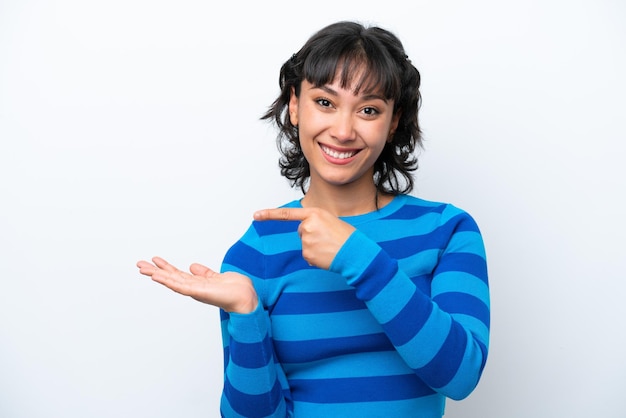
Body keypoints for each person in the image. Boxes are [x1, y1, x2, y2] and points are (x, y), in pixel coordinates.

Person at [137, 20, 490, 418]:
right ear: (294, 105)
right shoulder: (257, 251)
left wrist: (358, 257)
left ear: (393, 122)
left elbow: (461, 376)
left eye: (369, 110)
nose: (342, 130)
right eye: (325, 102)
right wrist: (246, 313)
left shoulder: (447, 231)